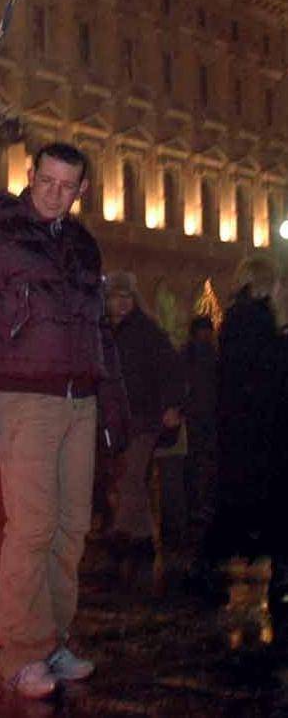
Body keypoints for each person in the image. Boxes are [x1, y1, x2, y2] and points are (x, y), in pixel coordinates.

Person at [0, 142, 129, 699]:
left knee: (72, 528)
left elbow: (99, 330)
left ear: (82, 192)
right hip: (23, 400)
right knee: (32, 528)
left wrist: (112, 401)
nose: (53, 194)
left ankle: (53, 639)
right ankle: (21, 654)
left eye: (65, 186)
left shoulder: (82, 246)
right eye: (45, 181)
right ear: (30, 176)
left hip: (79, 402)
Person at [205, 257, 288, 623]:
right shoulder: (260, 324)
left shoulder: (234, 322)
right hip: (261, 432)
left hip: (238, 431)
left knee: (239, 503)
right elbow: (271, 378)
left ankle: (221, 566)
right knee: (264, 504)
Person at [104, 272, 184, 562]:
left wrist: (172, 406)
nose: (122, 303)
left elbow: (171, 369)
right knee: (127, 479)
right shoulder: (103, 333)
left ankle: (121, 534)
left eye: (127, 297)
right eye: (116, 297)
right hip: (116, 419)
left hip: (145, 417)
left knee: (132, 476)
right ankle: (144, 538)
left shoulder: (147, 331)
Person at [182, 315, 218, 551]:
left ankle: (198, 504)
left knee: (198, 460)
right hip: (200, 415)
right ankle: (199, 503)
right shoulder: (209, 355)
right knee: (200, 460)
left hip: (200, 415)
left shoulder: (193, 354)